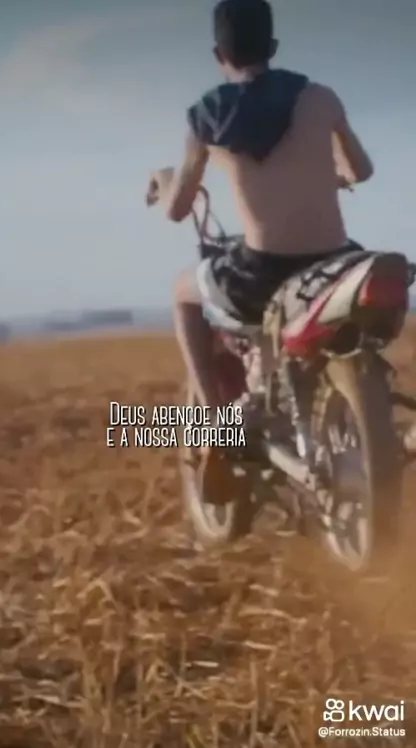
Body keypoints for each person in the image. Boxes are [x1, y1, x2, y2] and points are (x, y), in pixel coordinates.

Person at [145, 0, 374, 502]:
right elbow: (362, 170)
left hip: (263, 273)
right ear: (272, 47)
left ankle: (214, 428)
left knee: (183, 293)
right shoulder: (320, 98)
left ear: (218, 55)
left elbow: (178, 209)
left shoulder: (204, 117)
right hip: (334, 263)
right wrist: (329, 175)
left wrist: (164, 181)